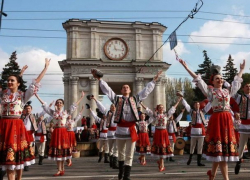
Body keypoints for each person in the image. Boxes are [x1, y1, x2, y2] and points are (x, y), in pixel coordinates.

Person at [179, 59, 245, 180]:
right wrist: (186, 67)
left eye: (221, 78)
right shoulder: (210, 92)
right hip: (217, 120)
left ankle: (212, 175)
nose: (220, 80)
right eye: (217, 79)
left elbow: (236, 83)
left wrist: (241, 70)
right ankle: (226, 178)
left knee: (219, 153)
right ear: (213, 82)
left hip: (226, 121)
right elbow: (199, 81)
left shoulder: (227, 91)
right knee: (220, 152)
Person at [91, 68, 162, 180]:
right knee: (120, 153)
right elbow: (107, 90)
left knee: (130, 154)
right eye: (123, 87)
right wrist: (99, 79)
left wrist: (154, 81)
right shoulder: (117, 100)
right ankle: (120, 172)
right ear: (121, 91)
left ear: (130, 90)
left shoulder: (135, 99)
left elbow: (146, 91)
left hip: (131, 129)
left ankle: (126, 176)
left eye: (127, 87)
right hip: (119, 130)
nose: (125, 88)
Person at [0, 59, 50, 180]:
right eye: (8, 80)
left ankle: (19, 177)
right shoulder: (3, 94)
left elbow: (36, 83)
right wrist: (20, 73)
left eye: (12, 80)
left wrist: (45, 68)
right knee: (8, 157)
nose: (9, 82)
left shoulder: (23, 95)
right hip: (4, 126)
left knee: (17, 156)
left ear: (18, 83)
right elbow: (14, 83)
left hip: (16, 126)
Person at [34, 93, 81, 176]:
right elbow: (45, 106)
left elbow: (74, 106)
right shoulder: (53, 113)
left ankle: (62, 169)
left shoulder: (66, 112)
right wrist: (37, 96)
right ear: (56, 104)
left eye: (60, 102)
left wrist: (81, 97)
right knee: (57, 151)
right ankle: (59, 169)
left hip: (63, 132)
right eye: (57, 102)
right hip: (56, 132)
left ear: (62, 105)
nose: (59, 104)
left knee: (62, 151)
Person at [143, 97, 182, 172]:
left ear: (163, 109)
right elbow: (147, 110)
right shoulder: (155, 115)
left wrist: (178, 101)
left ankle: (161, 163)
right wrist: (141, 104)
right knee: (159, 146)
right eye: (160, 108)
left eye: (162, 107)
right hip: (158, 132)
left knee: (164, 146)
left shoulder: (166, 115)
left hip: (164, 132)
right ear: (157, 109)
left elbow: (173, 108)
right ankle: (161, 162)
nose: (161, 109)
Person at [91, 96, 119, 169]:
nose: (113, 108)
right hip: (109, 133)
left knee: (116, 148)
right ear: (110, 108)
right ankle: (110, 161)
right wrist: (95, 99)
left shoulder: (119, 114)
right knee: (110, 148)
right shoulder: (108, 113)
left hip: (116, 133)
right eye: (112, 107)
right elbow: (101, 107)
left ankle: (114, 163)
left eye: (114, 107)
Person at [182, 99, 211, 166]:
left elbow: (208, 106)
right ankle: (190, 158)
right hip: (194, 130)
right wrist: (182, 99)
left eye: (198, 104)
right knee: (192, 146)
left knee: (200, 147)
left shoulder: (202, 111)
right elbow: (187, 105)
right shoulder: (191, 111)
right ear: (194, 106)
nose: (197, 105)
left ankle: (199, 162)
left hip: (201, 131)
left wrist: (212, 100)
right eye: (196, 104)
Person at [233, 82, 250, 174]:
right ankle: (238, 162)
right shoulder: (240, 98)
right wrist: (229, 84)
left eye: (249, 86)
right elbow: (233, 93)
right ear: (243, 88)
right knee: (242, 146)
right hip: (244, 125)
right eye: (246, 86)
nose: (248, 87)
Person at [22, 102, 38, 171]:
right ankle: (23, 163)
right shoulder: (22, 116)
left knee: (29, 149)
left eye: (29, 108)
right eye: (26, 108)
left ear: (31, 109)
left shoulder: (33, 116)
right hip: (22, 135)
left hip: (30, 134)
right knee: (23, 149)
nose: (28, 110)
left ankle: (27, 164)